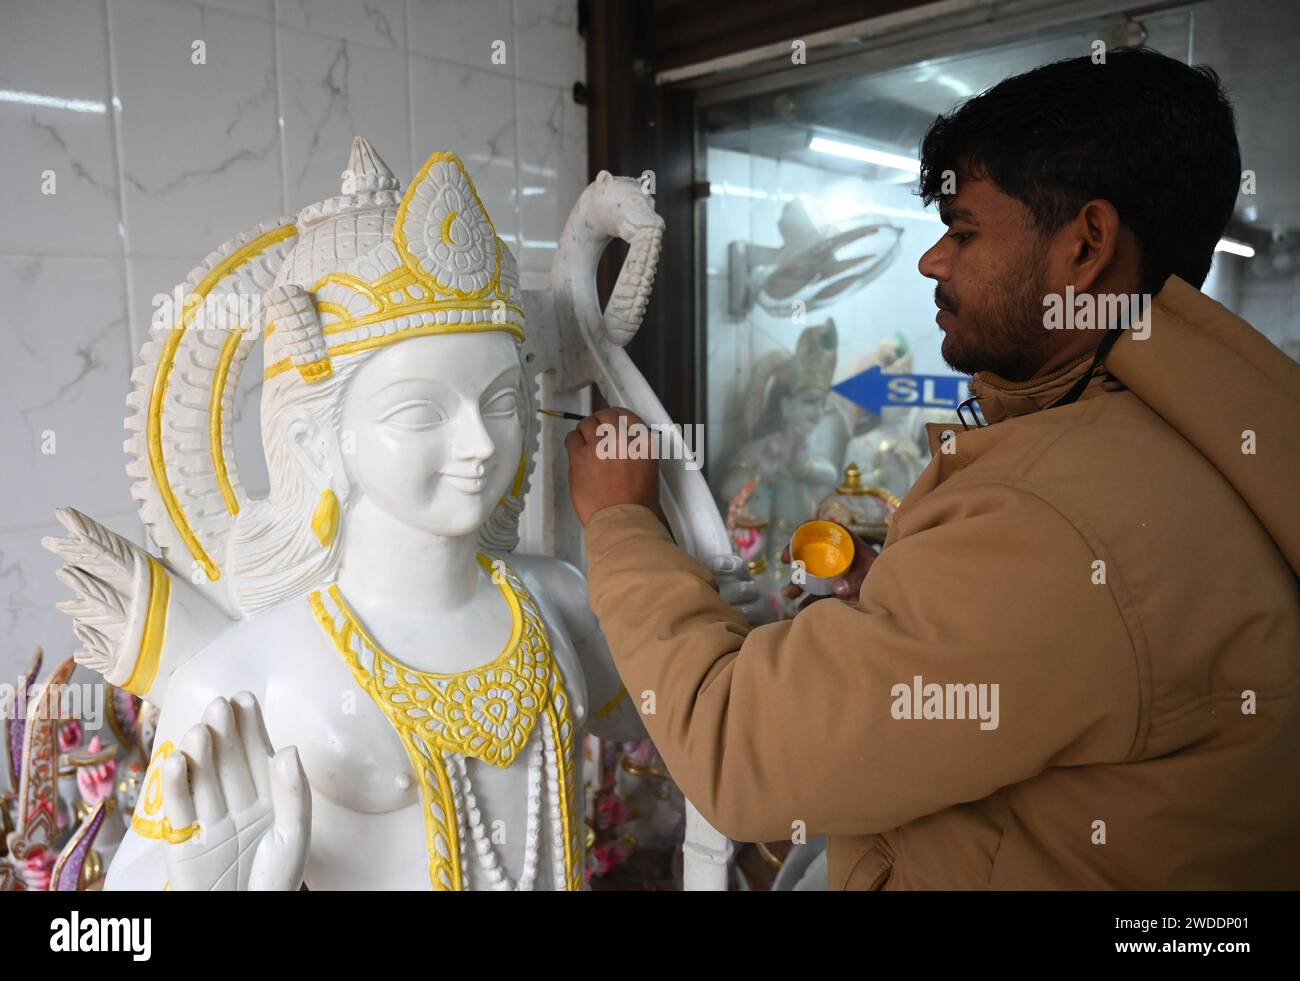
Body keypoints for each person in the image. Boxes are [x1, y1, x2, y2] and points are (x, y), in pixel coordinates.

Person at [563, 47, 1300, 889]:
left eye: (965, 231)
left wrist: (621, 523)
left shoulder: (1054, 511)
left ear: (1086, 245)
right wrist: (917, 597)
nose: (932, 261)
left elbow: (739, 750)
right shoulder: (1179, 439)